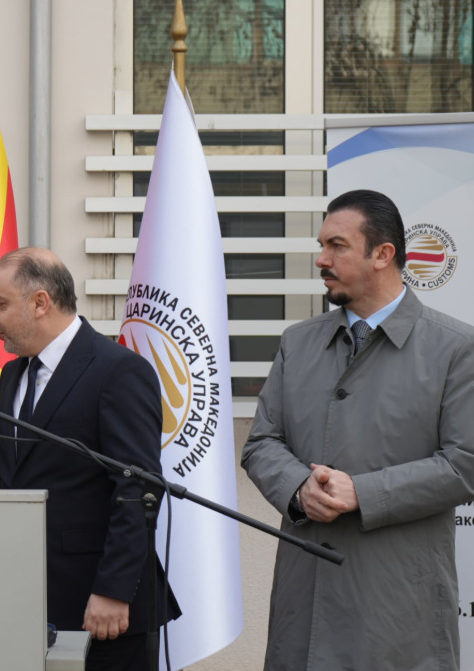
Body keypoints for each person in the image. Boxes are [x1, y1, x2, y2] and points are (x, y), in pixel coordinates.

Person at [242, 189, 474, 670]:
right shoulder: (297, 344)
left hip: (397, 612)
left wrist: (363, 494)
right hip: (304, 602)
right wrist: (298, 486)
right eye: (321, 245)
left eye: (337, 246)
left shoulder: (456, 348)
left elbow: (463, 465)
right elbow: (262, 442)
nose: (321, 259)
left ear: (382, 254)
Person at [0, 247, 178, 671]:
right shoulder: (12, 374)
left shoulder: (118, 371)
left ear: (40, 303)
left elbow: (138, 488)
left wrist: (113, 589)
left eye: (0, 304)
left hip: (102, 609)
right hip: (27, 601)